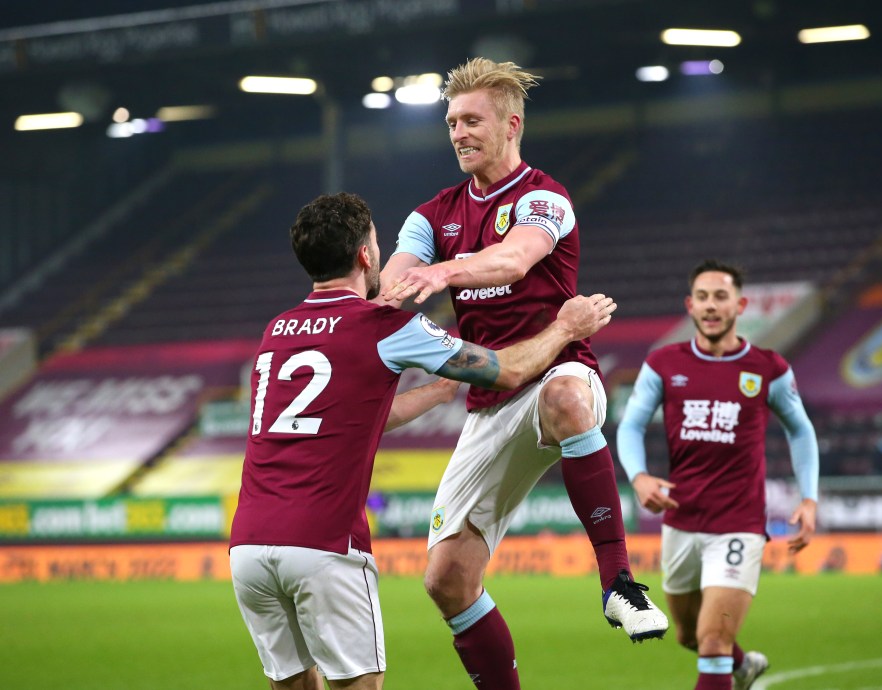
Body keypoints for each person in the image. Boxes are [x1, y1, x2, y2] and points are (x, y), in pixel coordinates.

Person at [229, 192, 617, 690]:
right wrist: (566, 328)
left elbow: (349, 417)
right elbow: (509, 371)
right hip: (323, 544)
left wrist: (438, 392)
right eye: (376, 242)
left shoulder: (277, 331)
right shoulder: (383, 326)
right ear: (366, 256)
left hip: (249, 548)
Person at [379, 57, 667, 689]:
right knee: (446, 581)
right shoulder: (433, 215)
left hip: (553, 369)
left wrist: (444, 273)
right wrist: (404, 280)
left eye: (472, 120)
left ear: (511, 124)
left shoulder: (544, 197)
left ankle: (618, 583)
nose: (458, 133)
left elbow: (515, 259)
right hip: (487, 401)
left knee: (568, 397)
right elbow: (394, 277)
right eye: (451, 122)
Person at [616, 259, 820, 690]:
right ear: (690, 305)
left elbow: (800, 429)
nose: (712, 306)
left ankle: (728, 662)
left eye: (721, 297)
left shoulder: (768, 368)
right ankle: (743, 667)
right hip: (681, 521)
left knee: (712, 641)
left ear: (740, 304)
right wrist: (639, 477)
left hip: (739, 525)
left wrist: (809, 498)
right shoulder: (664, 364)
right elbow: (631, 425)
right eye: (703, 297)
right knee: (691, 635)